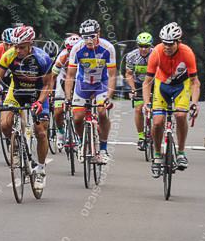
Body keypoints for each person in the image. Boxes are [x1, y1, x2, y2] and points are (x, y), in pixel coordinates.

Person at [0, 25, 53, 191]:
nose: (18, 50)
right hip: (17, 93)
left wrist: (40, 102)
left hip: (38, 95)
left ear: (31, 44)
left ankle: (41, 169)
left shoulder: (42, 58)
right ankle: (15, 145)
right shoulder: (9, 55)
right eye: (15, 46)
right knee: (4, 124)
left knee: (41, 132)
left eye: (21, 47)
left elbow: (48, 84)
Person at [142, 22, 200, 176]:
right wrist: (147, 103)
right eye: (164, 43)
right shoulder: (156, 53)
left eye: (170, 44)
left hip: (181, 85)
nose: (167, 47)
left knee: (181, 115)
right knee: (158, 122)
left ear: (178, 42)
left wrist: (194, 103)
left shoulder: (187, 52)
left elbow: (195, 82)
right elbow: (147, 82)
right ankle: (156, 155)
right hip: (162, 85)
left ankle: (181, 153)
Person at [64, 19, 117, 164]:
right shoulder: (77, 49)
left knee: (101, 111)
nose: (89, 40)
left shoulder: (108, 48)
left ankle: (104, 148)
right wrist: (68, 97)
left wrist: (109, 96)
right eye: (85, 37)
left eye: (92, 36)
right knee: (77, 117)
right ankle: (82, 143)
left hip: (101, 84)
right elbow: (70, 76)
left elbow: (112, 75)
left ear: (99, 34)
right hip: (83, 84)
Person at [124, 32, 154, 151]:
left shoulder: (157, 54)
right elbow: (129, 74)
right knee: (138, 109)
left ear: (151, 46)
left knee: (157, 111)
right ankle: (141, 137)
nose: (143, 49)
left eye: (146, 46)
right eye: (141, 45)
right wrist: (132, 89)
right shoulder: (131, 56)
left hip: (154, 83)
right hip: (138, 84)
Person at [51, 34, 80, 148]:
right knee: (58, 111)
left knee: (78, 110)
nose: (72, 52)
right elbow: (53, 76)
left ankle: (79, 133)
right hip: (62, 81)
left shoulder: (85, 55)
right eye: (70, 50)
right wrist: (51, 92)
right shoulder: (62, 57)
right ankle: (60, 132)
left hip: (78, 81)